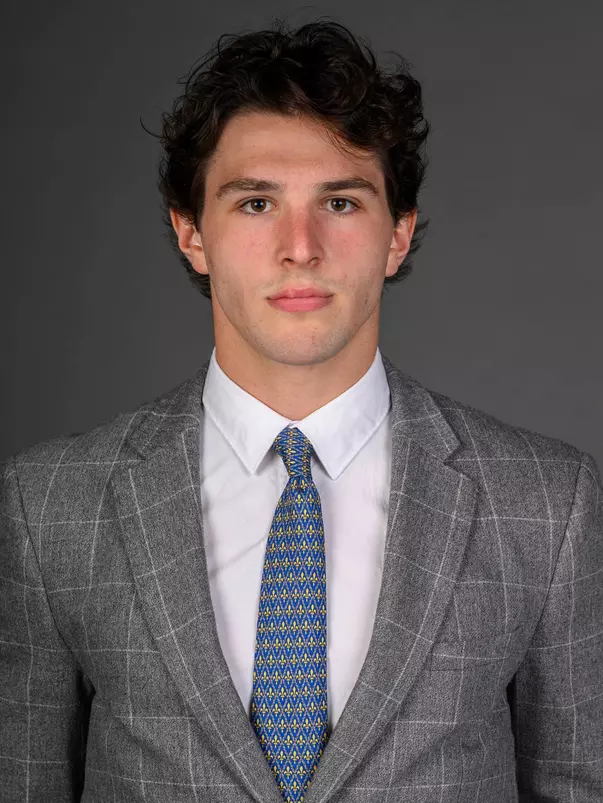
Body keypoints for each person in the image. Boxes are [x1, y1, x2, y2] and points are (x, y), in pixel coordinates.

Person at [1, 17, 601, 803]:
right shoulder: (50, 506)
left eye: (342, 203)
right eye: (254, 203)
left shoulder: (545, 504)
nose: (300, 245)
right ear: (191, 233)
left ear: (397, 234)